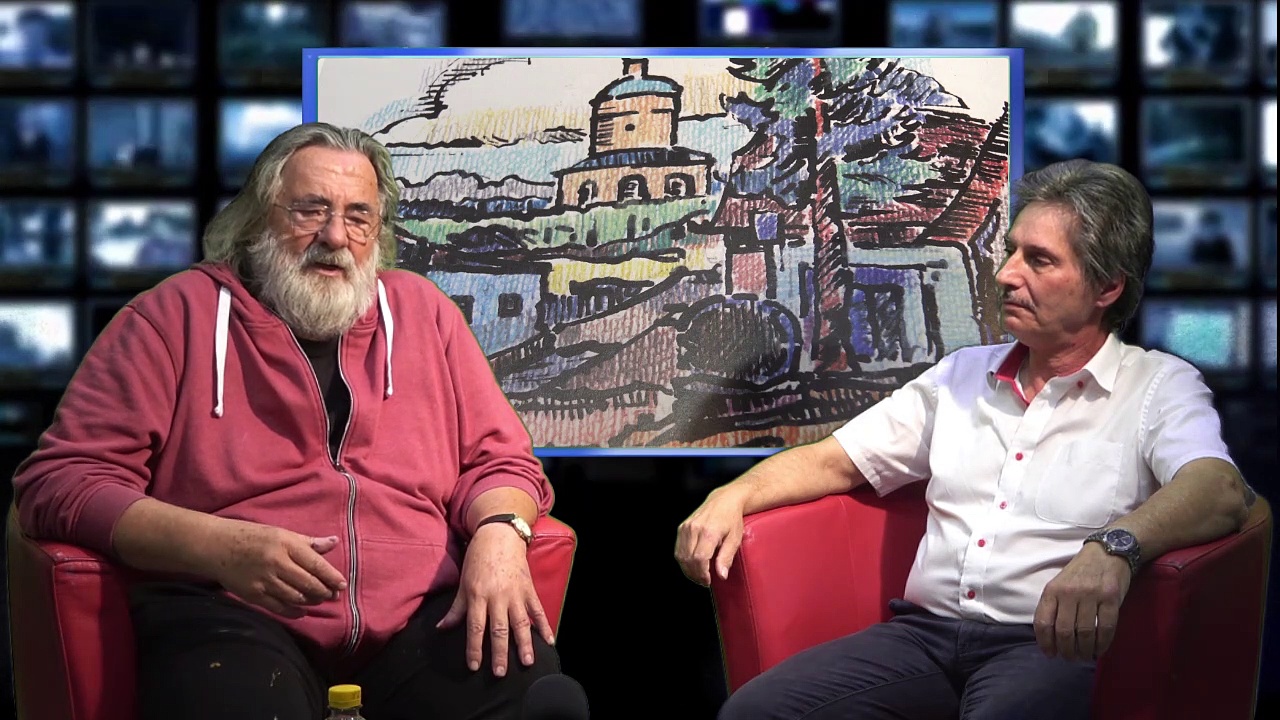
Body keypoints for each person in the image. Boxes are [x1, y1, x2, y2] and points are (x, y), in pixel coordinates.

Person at [11, 122, 560, 720]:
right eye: (310, 210)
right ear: (257, 218)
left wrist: (502, 532)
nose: (335, 236)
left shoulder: (425, 313)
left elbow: (502, 460)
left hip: (421, 617)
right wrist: (219, 546)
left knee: (532, 695)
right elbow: (60, 481)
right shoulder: (172, 317)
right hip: (228, 613)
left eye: (358, 217)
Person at [675, 159, 1255, 720]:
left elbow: (1219, 489)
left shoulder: (1156, 385)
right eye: (1011, 252)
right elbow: (835, 462)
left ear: (1107, 287)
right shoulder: (961, 375)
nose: (1006, 274)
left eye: (1039, 260)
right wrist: (733, 495)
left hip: (1045, 645)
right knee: (756, 709)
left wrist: (1113, 548)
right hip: (922, 637)